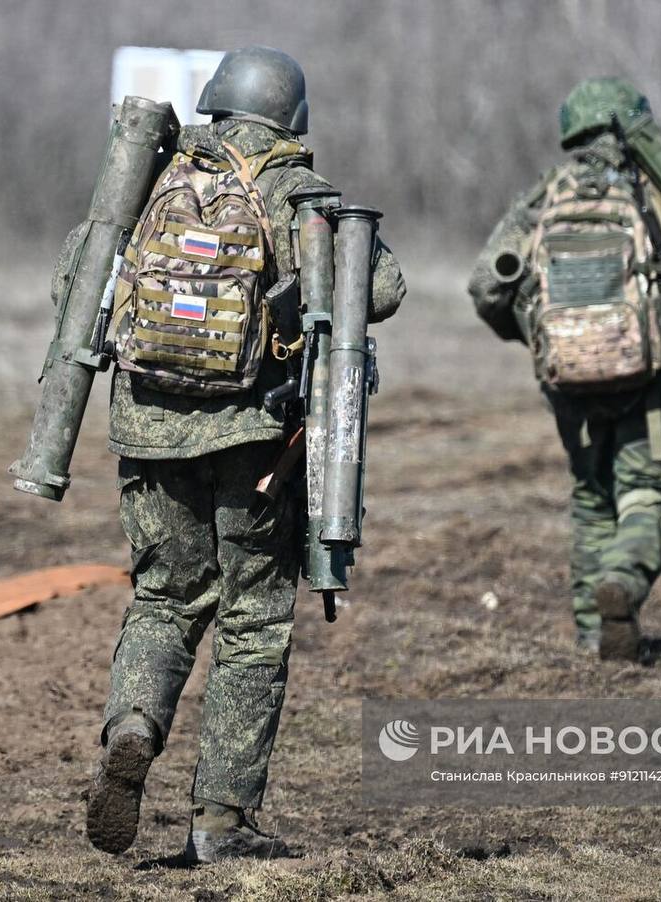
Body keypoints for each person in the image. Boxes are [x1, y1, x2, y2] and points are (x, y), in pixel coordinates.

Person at [85, 46, 405, 862]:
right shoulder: (297, 195)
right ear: (291, 117)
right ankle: (222, 821)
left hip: (148, 433)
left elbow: (76, 283)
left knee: (163, 600)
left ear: (217, 101)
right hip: (255, 446)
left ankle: (132, 729)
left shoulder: (151, 183)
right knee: (253, 626)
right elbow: (382, 288)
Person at [468, 77, 661, 663]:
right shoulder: (658, 197)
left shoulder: (544, 199)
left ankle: (592, 633)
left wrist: (541, 341)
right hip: (649, 382)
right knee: (643, 494)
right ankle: (622, 580)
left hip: (567, 384)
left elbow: (485, 287)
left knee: (591, 496)